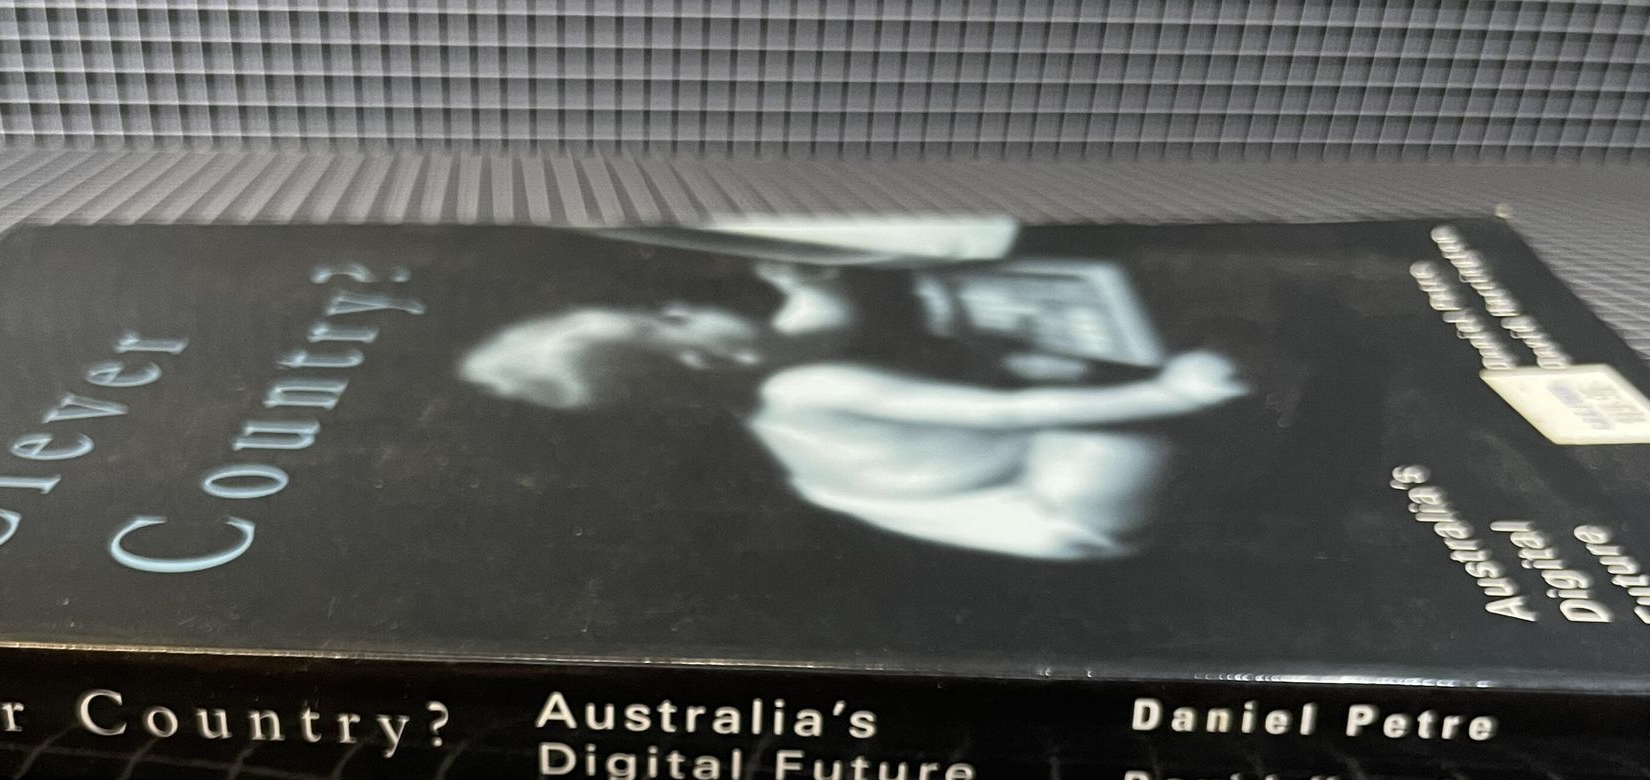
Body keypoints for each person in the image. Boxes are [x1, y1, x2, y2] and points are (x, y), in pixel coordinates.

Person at [460, 259, 1249, 561]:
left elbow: (825, 321)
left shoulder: (775, 365)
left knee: (1029, 363)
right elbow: (997, 415)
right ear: (703, 360)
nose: (679, 303)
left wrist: (809, 285)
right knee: (1110, 422)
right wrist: (1169, 393)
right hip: (1057, 505)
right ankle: (1218, 439)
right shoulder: (810, 390)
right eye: (666, 320)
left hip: (1004, 473)